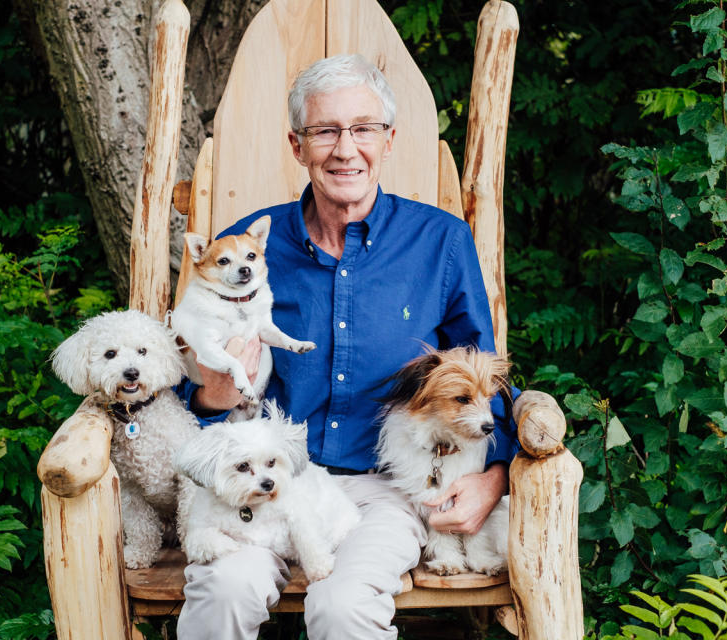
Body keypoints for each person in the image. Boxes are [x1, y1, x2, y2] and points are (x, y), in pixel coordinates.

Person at [175, 53, 518, 640]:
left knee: (343, 609)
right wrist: (208, 393)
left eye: (362, 129)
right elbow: (193, 371)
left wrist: (495, 474)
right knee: (224, 593)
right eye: (325, 131)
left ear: (388, 139)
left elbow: (484, 380)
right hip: (266, 477)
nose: (344, 148)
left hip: (388, 489)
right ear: (296, 145)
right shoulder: (251, 248)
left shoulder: (439, 242)